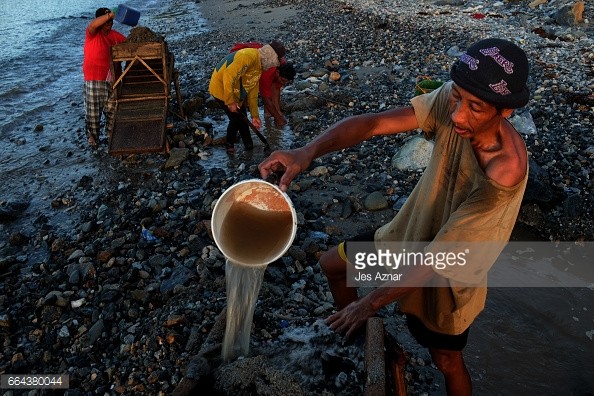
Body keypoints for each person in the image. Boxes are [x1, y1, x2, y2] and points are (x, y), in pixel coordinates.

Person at [259, 38, 530, 395]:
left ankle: (371, 329)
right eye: (457, 97)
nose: (458, 115)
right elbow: (373, 123)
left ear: (505, 110)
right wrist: (308, 151)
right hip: (406, 237)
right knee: (333, 265)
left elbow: (439, 258)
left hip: (446, 277)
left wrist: (367, 303)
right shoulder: (458, 97)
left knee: (447, 362)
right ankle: (380, 347)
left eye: (476, 107)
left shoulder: (503, 173)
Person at [209, 40, 286, 154]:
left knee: (243, 117)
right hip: (221, 89)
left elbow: (253, 92)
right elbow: (228, 76)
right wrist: (230, 102)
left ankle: (248, 146)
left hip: (235, 90)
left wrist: (255, 116)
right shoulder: (248, 56)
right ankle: (229, 145)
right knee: (235, 118)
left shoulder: (258, 66)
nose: (274, 66)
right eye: (275, 62)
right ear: (271, 57)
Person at [82, 7, 126, 146]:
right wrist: (110, 14)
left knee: (113, 111)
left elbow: (129, 45)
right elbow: (93, 25)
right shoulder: (92, 34)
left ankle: (111, 137)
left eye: (111, 20)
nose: (110, 22)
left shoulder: (115, 35)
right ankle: (93, 141)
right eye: (107, 19)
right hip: (94, 81)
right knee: (93, 114)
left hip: (113, 80)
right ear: (99, 20)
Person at [229, 42, 297, 127]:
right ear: (277, 72)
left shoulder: (282, 64)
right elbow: (265, 98)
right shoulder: (268, 70)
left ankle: (268, 114)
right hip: (239, 58)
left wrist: (279, 113)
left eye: (285, 82)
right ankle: (242, 118)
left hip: (258, 58)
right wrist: (278, 119)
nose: (282, 83)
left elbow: (276, 88)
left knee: (273, 89)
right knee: (244, 94)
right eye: (282, 80)